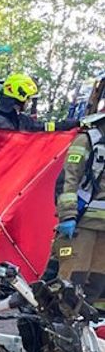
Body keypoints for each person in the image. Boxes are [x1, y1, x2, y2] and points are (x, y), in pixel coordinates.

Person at [52, 74, 105, 307]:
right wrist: (68, 216)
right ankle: (54, 339)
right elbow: (68, 180)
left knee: (97, 289)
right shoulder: (89, 139)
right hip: (81, 226)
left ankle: (88, 338)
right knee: (71, 283)